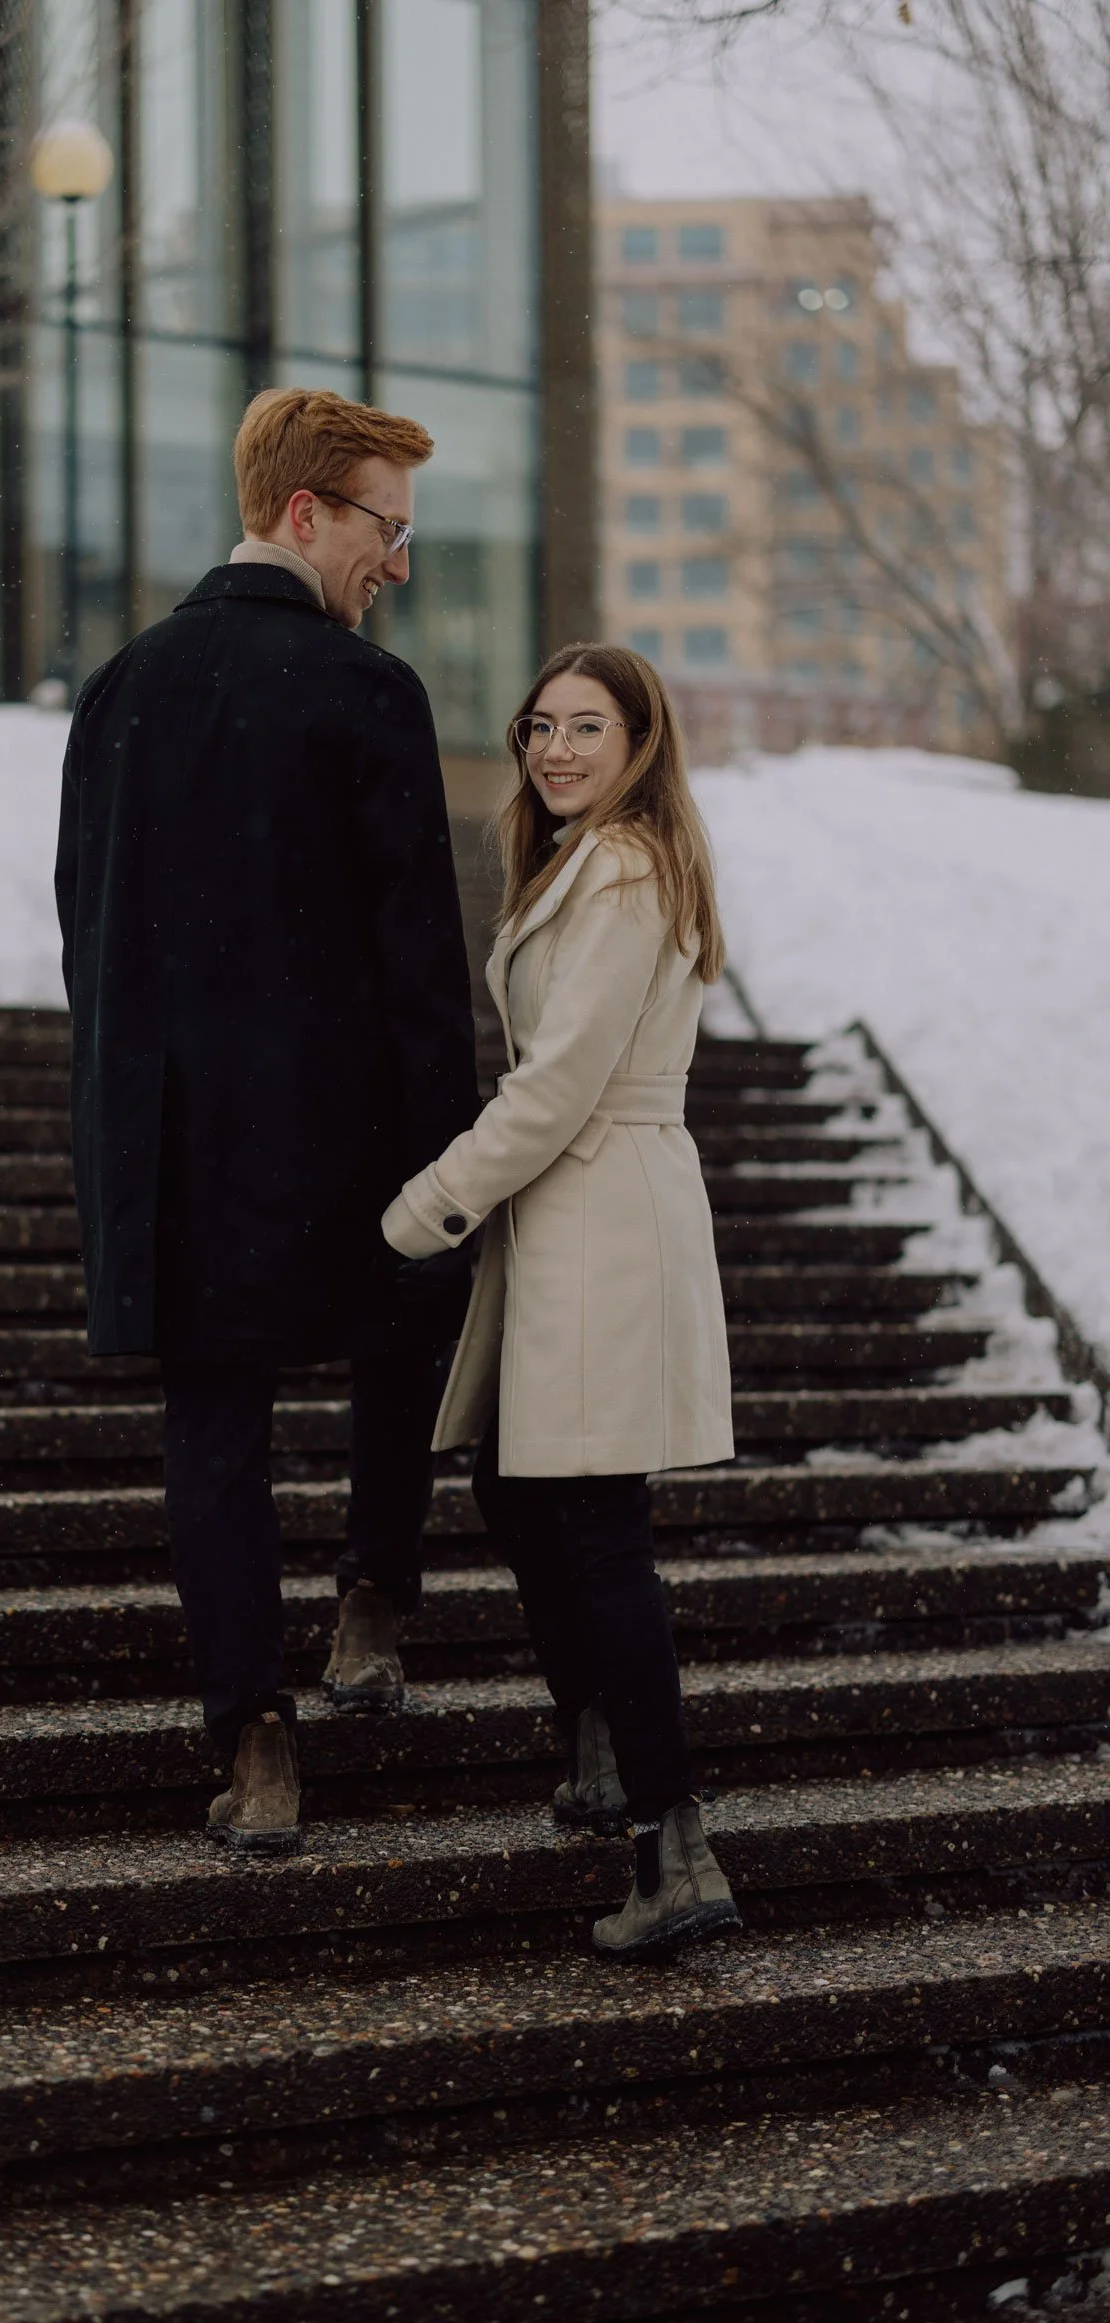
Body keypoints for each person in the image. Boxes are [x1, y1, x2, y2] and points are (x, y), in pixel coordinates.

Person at [56, 388, 479, 1857]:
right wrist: (452, 1150)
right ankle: (371, 1597)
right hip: (343, 1125)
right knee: (399, 1333)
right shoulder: (368, 694)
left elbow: (85, 937)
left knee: (215, 1429)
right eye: (386, 527)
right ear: (304, 515)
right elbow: (420, 955)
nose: (399, 565)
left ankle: (254, 1739)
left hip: (174, 1134)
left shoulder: (120, 686)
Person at [381, 643, 741, 1959]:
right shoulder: (589, 857)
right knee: (522, 1488)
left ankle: (671, 1838)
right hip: (581, 1205)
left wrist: (425, 1206)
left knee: (584, 1516)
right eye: (540, 725)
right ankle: (600, 1748)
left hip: (595, 1203)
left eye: (586, 726)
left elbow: (557, 1081)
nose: (554, 748)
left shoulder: (628, 865)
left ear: (642, 739)